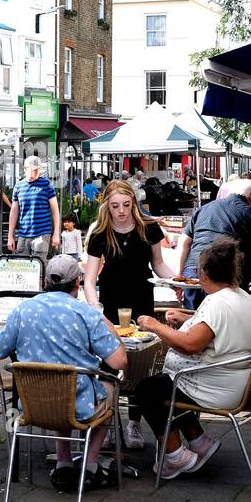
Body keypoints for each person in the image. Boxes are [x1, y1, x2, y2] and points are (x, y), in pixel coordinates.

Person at [0, 254, 128, 490]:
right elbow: (119, 362)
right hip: (79, 405)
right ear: (77, 283)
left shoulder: (23, 310)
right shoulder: (86, 314)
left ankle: (63, 462)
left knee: (56, 386)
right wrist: (106, 321)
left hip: (32, 405)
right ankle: (91, 465)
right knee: (110, 386)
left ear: (45, 282)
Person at [134, 237, 251, 479]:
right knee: (167, 385)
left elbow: (190, 345)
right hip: (235, 380)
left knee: (149, 390)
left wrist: (154, 326)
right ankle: (200, 441)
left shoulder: (217, 303)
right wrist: (188, 320)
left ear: (204, 273)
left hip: (215, 385)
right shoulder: (242, 297)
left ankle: (176, 456)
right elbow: (219, 328)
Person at [82, 181, 176, 450]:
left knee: (141, 363)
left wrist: (178, 282)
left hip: (141, 299)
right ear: (107, 207)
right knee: (110, 362)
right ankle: (108, 422)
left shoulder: (149, 229)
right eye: (115, 206)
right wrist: (95, 307)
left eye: (126, 205)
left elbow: (159, 265)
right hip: (111, 300)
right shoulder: (100, 233)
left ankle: (134, 422)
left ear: (134, 203)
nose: (121, 211)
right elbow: (90, 280)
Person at [176, 177, 251, 310]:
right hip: (227, 276)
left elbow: (183, 244)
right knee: (225, 325)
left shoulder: (203, 209)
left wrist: (179, 278)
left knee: (192, 321)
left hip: (195, 273)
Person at [7, 155, 60, 266]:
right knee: (22, 266)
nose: (37, 172)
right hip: (23, 233)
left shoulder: (46, 184)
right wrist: (10, 236)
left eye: (39, 169)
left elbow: (55, 210)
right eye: (34, 169)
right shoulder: (19, 186)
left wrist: (56, 233)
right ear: (25, 168)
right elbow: (14, 212)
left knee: (39, 267)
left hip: (42, 233)